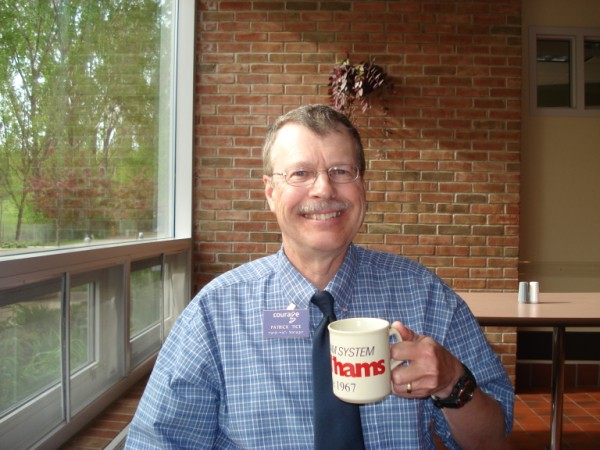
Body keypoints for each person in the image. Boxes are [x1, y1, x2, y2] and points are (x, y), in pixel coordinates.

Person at [125, 104, 514, 449]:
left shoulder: (425, 295)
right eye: (300, 173)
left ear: (363, 186)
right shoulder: (214, 314)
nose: (324, 189)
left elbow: (494, 439)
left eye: (341, 171)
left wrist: (452, 383)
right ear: (270, 191)